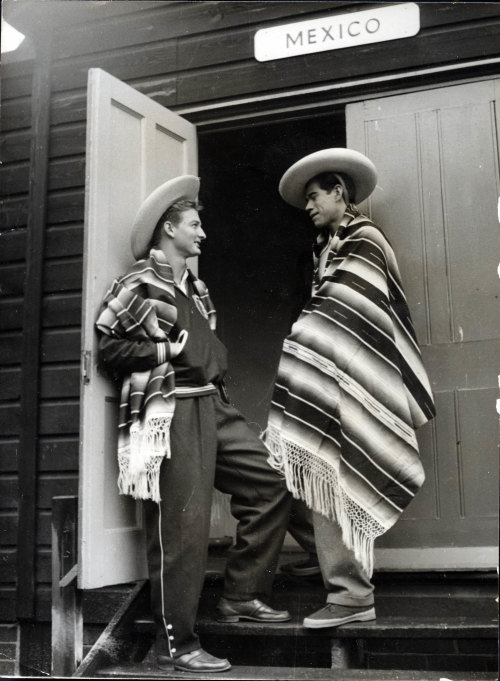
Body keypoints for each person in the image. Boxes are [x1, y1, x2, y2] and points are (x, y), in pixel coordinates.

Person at [95, 175, 296, 673]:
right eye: (194, 224)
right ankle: (175, 647)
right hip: (173, 411)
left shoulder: (196, 286)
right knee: (183, 531)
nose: (203, 232)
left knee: (270, 484)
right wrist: (167, 349)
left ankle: (243, 594)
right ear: (169, 229)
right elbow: (109, 346)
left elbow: (206, 351)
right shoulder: (138, 282)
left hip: (215, 407)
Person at [265, 148, 436, 629]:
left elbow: (346, 312)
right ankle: (336, 568)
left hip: (356, 380)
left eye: (315, 196)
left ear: (340, 192)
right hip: (332, 378)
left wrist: (303, 339)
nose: (309, 206)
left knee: (336, 474)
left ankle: (351, 595)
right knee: (311, 467)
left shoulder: (365, 240)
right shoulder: (327, 247)